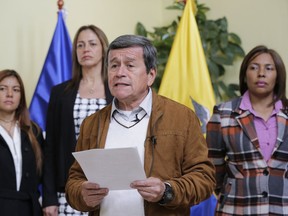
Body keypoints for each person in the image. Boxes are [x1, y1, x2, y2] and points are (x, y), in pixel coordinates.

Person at [65, 34, 216, 216]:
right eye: (114, 65)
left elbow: (205, 178)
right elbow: (74, 180)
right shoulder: (92, 123)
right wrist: (81, 194)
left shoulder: (182, 117)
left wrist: (166, 191)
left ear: (151, 75)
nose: (119, 72)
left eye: (129, 65)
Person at [206, 45, 288, 215]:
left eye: (269, 68)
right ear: (244, 75)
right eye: (254, 67)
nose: (261, 73)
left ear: (278, 76)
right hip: (237, 208)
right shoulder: (223, 114)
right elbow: (213, 168)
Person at [42, 25, 113, 216]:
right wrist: (49, 198)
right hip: (69, 188)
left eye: (92, 44)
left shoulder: (117, 92)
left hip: (111, 187)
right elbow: (50, 147)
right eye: (80, 45)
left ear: (104, 49)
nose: (86, 49)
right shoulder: (60, 93)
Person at [0, 69, 44, 216]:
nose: (10, 94)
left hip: (29, 208)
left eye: (16, 89)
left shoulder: (33, 131)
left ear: (21, 96)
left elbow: (46, 171)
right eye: (2, 89)